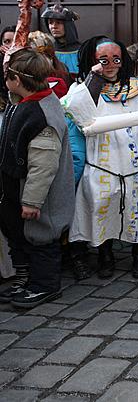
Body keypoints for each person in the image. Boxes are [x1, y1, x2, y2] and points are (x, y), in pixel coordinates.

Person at [62, 36, 138, 279]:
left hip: (133, 165)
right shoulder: (83, 91)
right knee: (102, 211)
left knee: (136, 212)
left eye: (115, 59)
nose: (110, 65)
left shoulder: (137, 90)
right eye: (103, 60)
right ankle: (106, 256)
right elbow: (74, 109)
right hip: (101, 165)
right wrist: (94, 77)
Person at [0, 48, 74, 307]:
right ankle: (25, 278)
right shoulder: (24, 102)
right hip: (13, 189)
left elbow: (43, 164)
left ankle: (45, 285)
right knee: (17, 235)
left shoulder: (42, 113)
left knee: (41, 238)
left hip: (37, 196)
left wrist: (32, 201)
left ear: (17, 80)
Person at [41, 3, 81, 78]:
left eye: (58, 23)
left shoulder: (81, 52)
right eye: (50, 23)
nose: (53, 26)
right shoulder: (46, 51)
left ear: (68, 25)